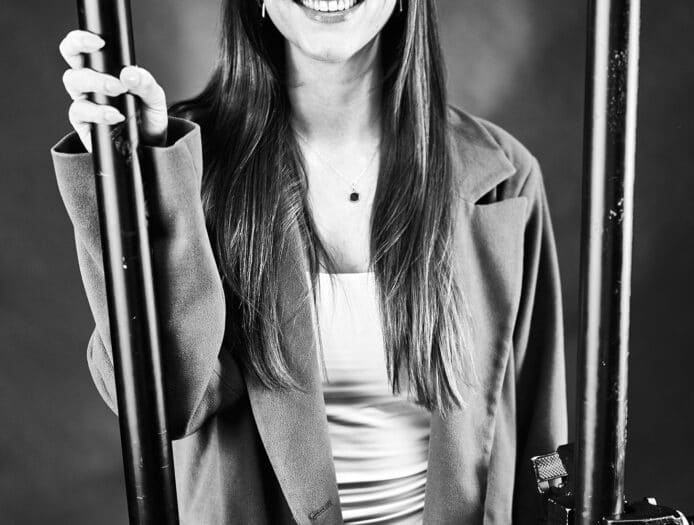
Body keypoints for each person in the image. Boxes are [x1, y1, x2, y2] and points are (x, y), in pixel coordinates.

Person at [51, 0, 567, 523]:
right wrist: (137, 183)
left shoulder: (504, 177)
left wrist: (567, 500)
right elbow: (167, 403)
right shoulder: (184, 164)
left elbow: (543, 444)